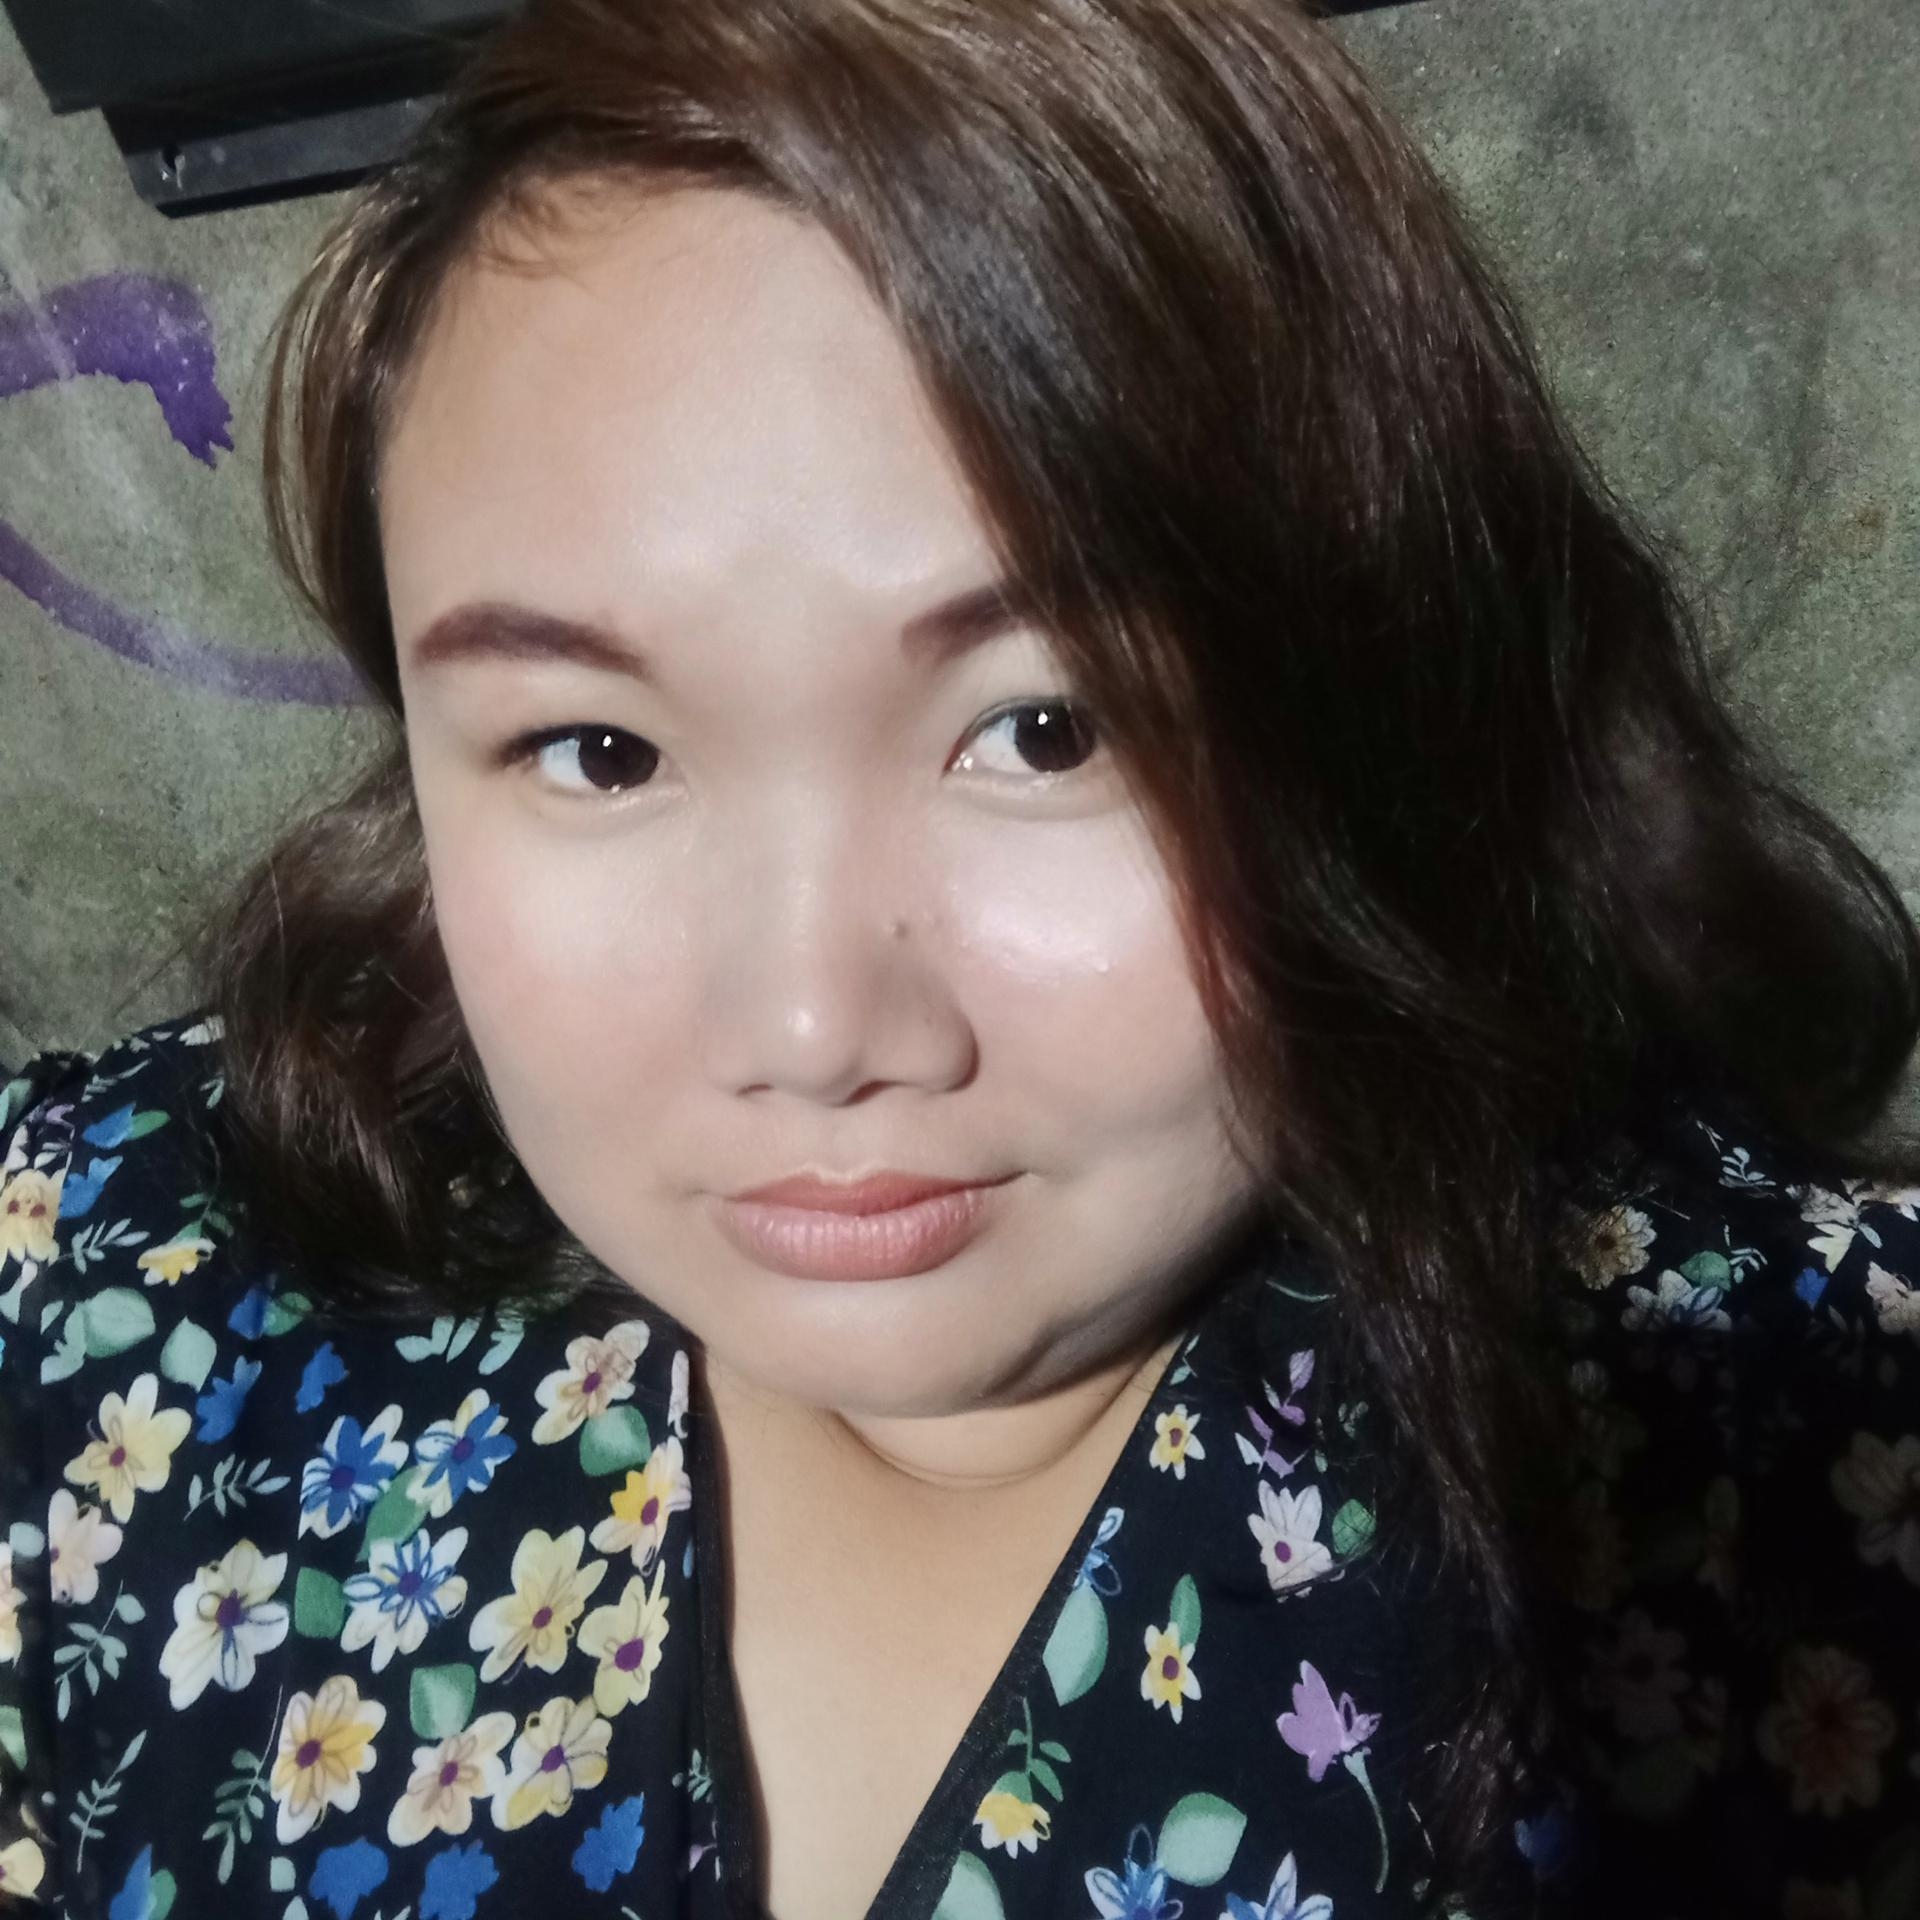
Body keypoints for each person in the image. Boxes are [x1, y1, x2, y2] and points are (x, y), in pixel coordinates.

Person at [2, 1, 1917, 1916]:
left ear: (1381, 705)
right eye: (597, 751)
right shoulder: (98, 1284)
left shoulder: (1800, 1463)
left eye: (1047, 730)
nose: (812, 1027)